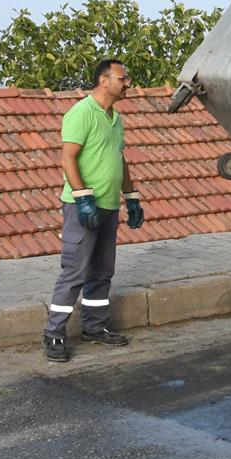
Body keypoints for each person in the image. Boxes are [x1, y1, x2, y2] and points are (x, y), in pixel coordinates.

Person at [42, 58, 145, 362]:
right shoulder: (81, 113)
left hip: (109, 205)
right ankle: (54, 334)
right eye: (122, 79)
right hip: (82, 207)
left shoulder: (115, 118)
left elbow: (119, 158)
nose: (127, 84)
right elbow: (68, 159)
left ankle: (95, 327)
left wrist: (132, 196)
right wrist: (82, 197)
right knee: (75, 271)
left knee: (102, 271)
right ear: (104, 80)